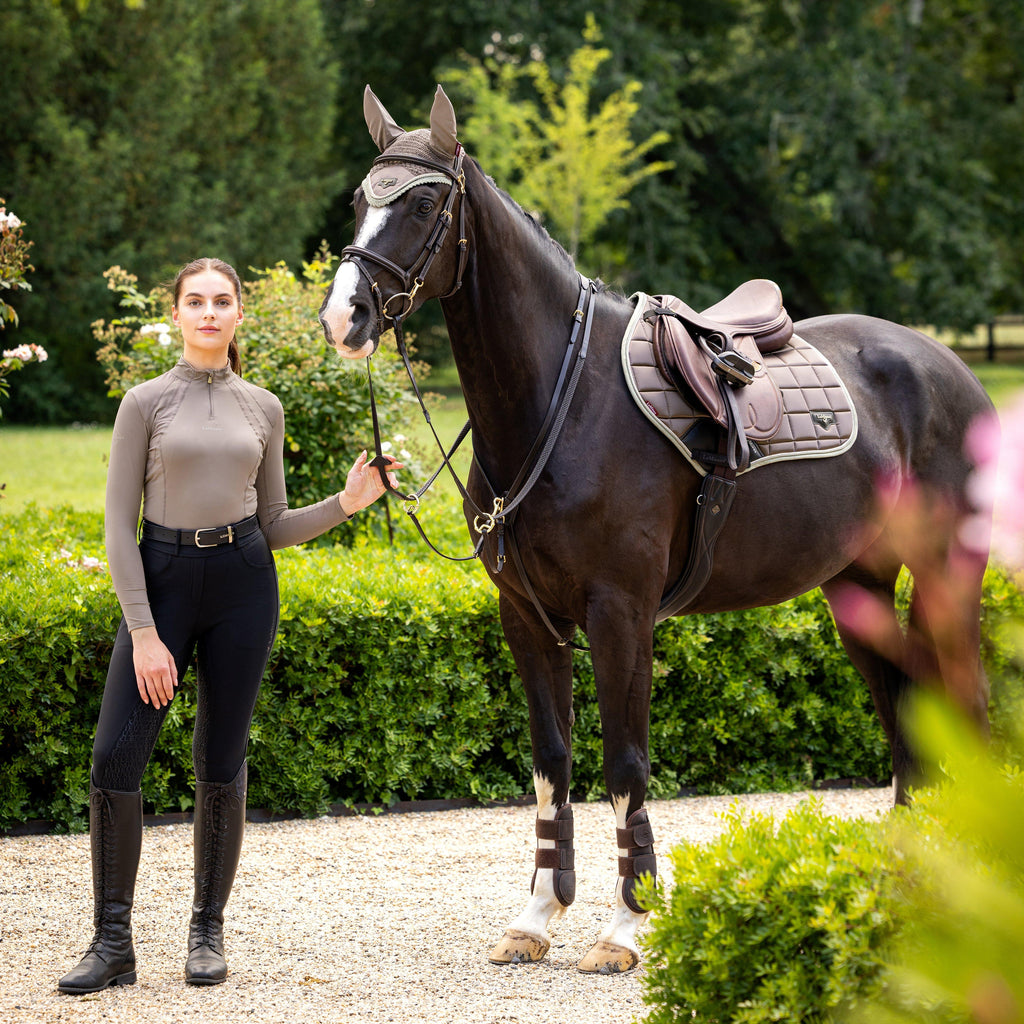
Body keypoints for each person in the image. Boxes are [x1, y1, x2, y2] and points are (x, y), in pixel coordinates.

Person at [58, 257, 400, 995]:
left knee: (222, 756)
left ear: (238, 313)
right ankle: (112, 941)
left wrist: (346, 502)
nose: (209, 312)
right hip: (165, 581)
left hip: (245, 585)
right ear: (176, 313)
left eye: (221, 301)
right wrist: (146, 633)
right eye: (195, 301)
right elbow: (119, 527)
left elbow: (272, 523)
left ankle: (206, 931)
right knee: (116, 760)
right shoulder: (145, 403)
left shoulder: (263, 407)